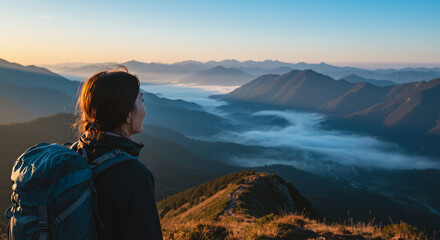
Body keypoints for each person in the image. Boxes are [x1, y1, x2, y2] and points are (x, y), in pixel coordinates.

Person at [73, 66, 163, 239]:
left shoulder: (77, 152)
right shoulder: (134, 175)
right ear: (127, 115)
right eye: (141, 101)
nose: (145, 109)